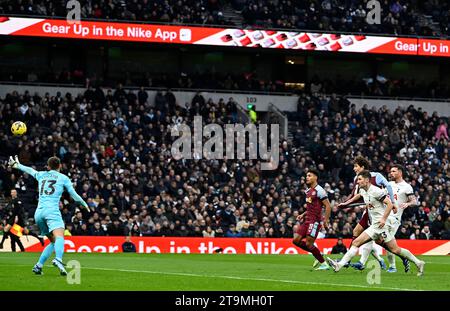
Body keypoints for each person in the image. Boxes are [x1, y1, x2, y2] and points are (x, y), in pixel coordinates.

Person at [327, 171, 425, 276]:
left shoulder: (376, 191)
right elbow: (359, 196)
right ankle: (418, 262)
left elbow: (389, 204)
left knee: (358, 243)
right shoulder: (363, 190)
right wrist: (346, 203)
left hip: (381, 225)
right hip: (375, 225)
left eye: (360, 179)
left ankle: (340, 265)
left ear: (367, 180)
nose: (358, 182)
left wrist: (383, 219)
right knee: (395, 249)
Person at [8, 155, 89, 276]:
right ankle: (58, 259)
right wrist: (84, 204)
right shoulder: (63, 178)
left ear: (48, 166)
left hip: (39, 213)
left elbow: (30, 170)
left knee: (53, 241)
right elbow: (74, 195)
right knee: (60, 235)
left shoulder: (41, 174)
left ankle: (38, 266)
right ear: (60, 166)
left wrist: (17, 165)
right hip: (52, 211)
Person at [337, 156, 396, 271]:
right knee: (364, 235)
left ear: (363, 167)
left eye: (356, 166)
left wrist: (393, 202)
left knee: (376, 239)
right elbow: (356, 195)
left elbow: (388, 186)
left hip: (379, 212)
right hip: (369, 211)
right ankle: (355, 260)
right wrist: (346, 204)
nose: (354, 168)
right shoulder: (357, 179)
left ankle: (397, 256)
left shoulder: (376, 176)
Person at [292, 168, 331, 270]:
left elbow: (328, 206)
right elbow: (312, 207)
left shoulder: (320, 191)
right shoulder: (308, 191)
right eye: (307, 176)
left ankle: (324, 264)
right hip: (307, 220)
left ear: (315, 177)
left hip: (314, 222)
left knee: (309, 244)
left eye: (309, 176)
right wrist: (303, 214)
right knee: (296, 241)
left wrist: (325, 221)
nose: (307, 178)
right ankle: (317, 253)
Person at [385, 164, 417, 273]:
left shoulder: (407, 187)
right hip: (383, 216)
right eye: (391, 171)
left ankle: (393, 266)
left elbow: (414, 201)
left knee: (387, 243)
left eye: (394, 171)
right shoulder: (388, 184)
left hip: (394, 219)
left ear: (400, 172)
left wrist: (407, 204)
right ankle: (403, 258)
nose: (391, 173)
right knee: (385, 243)